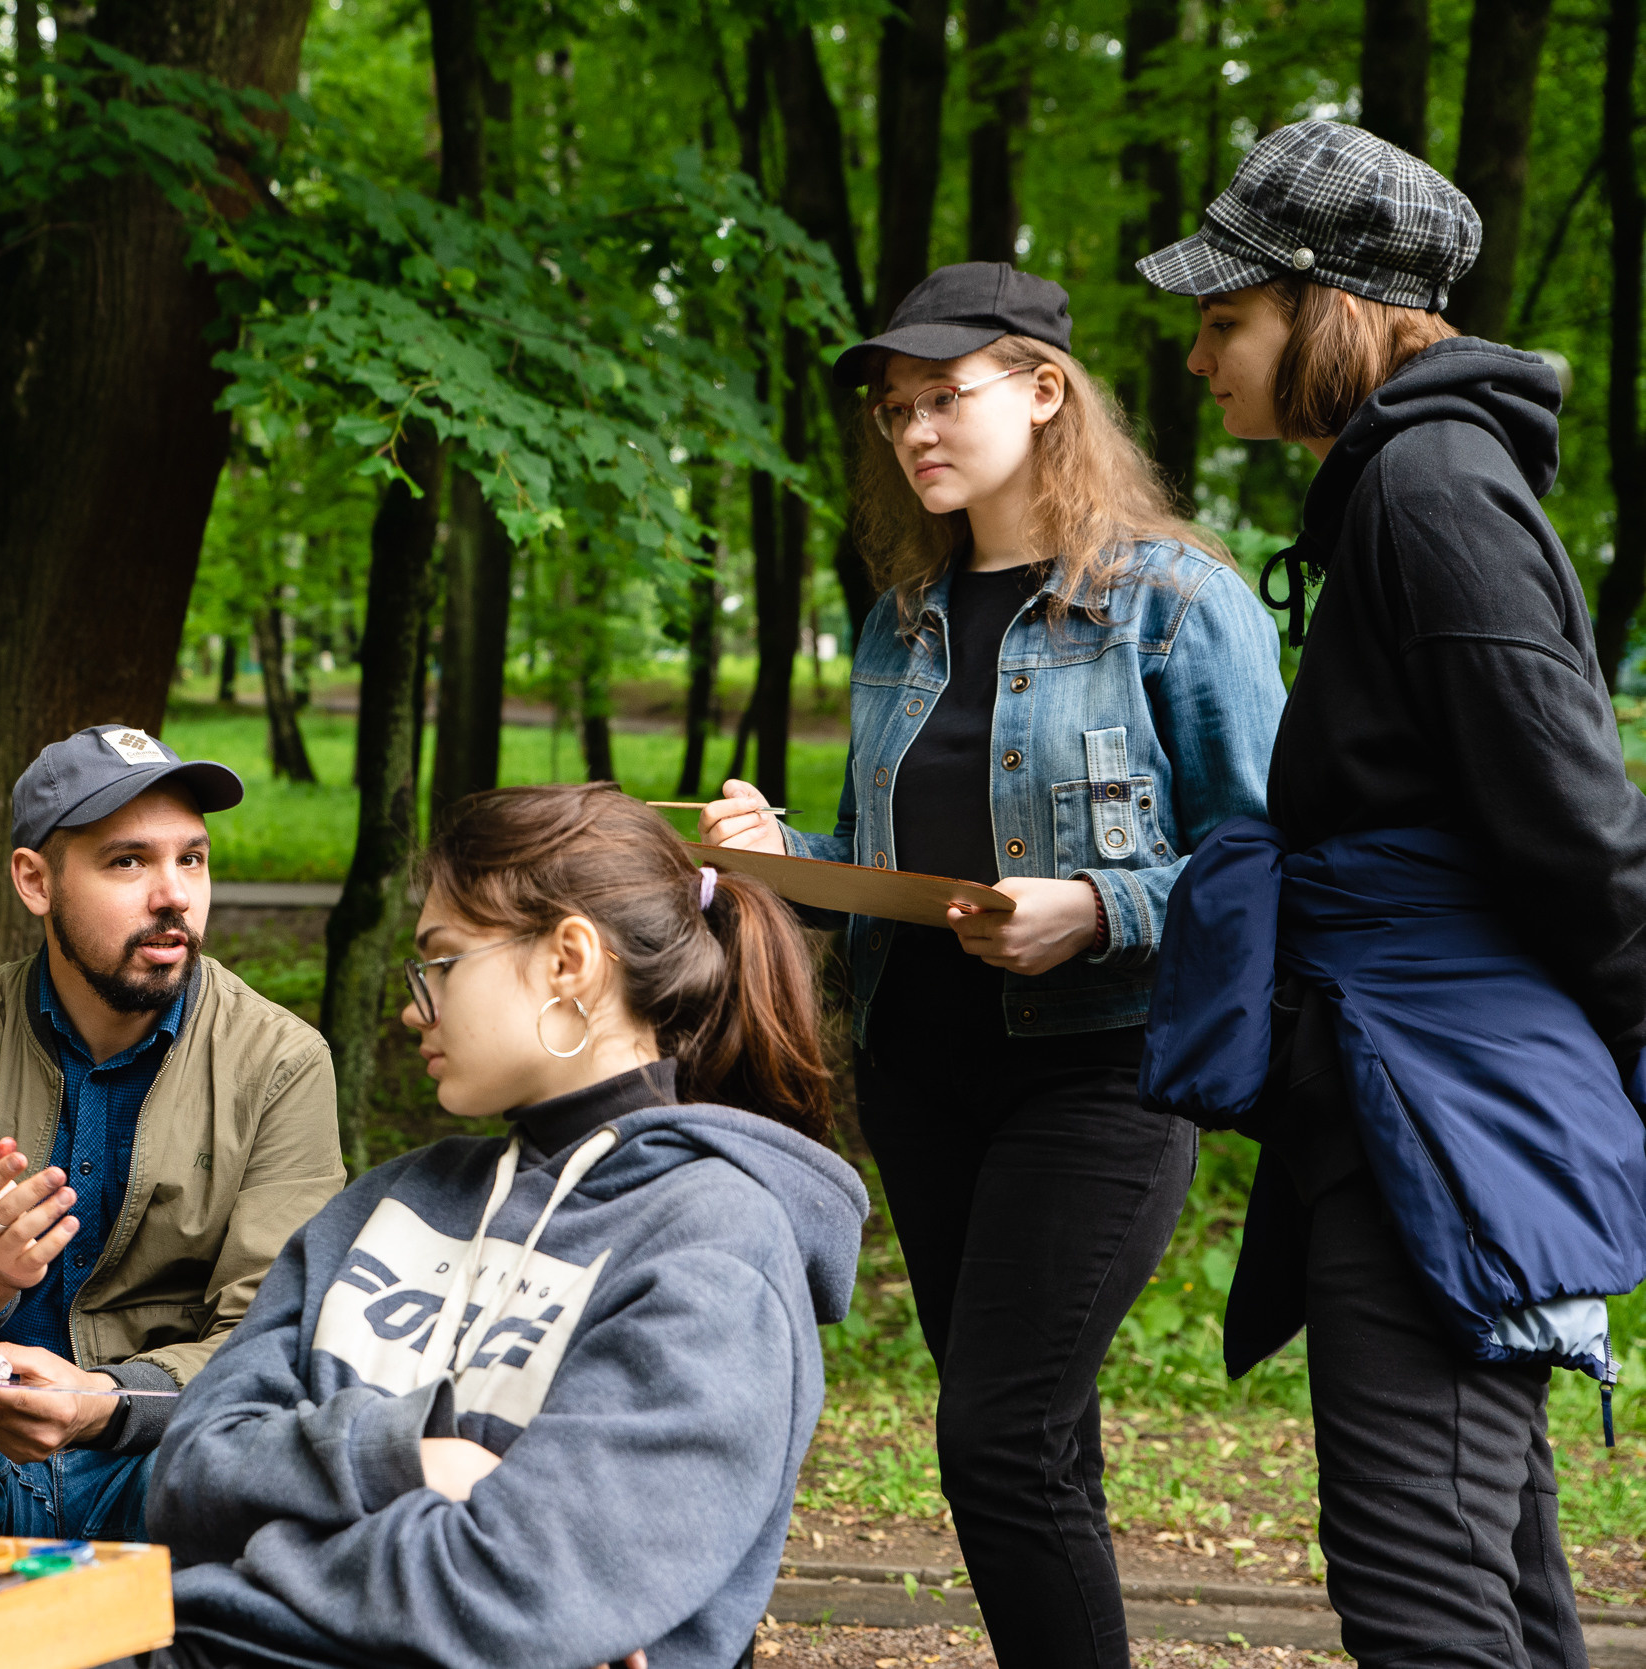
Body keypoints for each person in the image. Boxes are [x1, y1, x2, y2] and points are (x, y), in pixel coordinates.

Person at [699, 262, 1286, 1667]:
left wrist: (1098, 904)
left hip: (1105, 1071)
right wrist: (782, 849)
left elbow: (1271, 860)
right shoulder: (904, 616)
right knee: (1037, 1450)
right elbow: (907, 858)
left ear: (1041, 391)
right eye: (897, 409)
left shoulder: (1177, 601)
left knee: (998, 1445)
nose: (915, 433)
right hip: (924, 1076)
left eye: (944, 397)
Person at [1134, 119, 1646, 1667]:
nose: (1204, 356)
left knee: (1420, 1598)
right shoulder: (1402, 490)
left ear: (1333, 307)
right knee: (1492, 1583)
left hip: (1447, 1104)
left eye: (1230, 319)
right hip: (1417, 1088)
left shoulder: (1430, 493)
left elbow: (1577, 824)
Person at [143, 784, 869, 1669]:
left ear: (569, 960)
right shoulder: (390, 1200)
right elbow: (187, 1473)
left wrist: (252, 1575)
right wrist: (410, 1458)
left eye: (440, 961)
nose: (416, 1007)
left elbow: (516, 1588)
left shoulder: (714, 1245)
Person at [0, 724, 346, 1541]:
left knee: (229, 1465)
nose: (174, 893)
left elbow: (278, 1342)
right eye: (128, 861)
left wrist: (107, 1400)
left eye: (192, 858)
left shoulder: (279, 1061)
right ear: (36, 881)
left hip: (149, 1446)